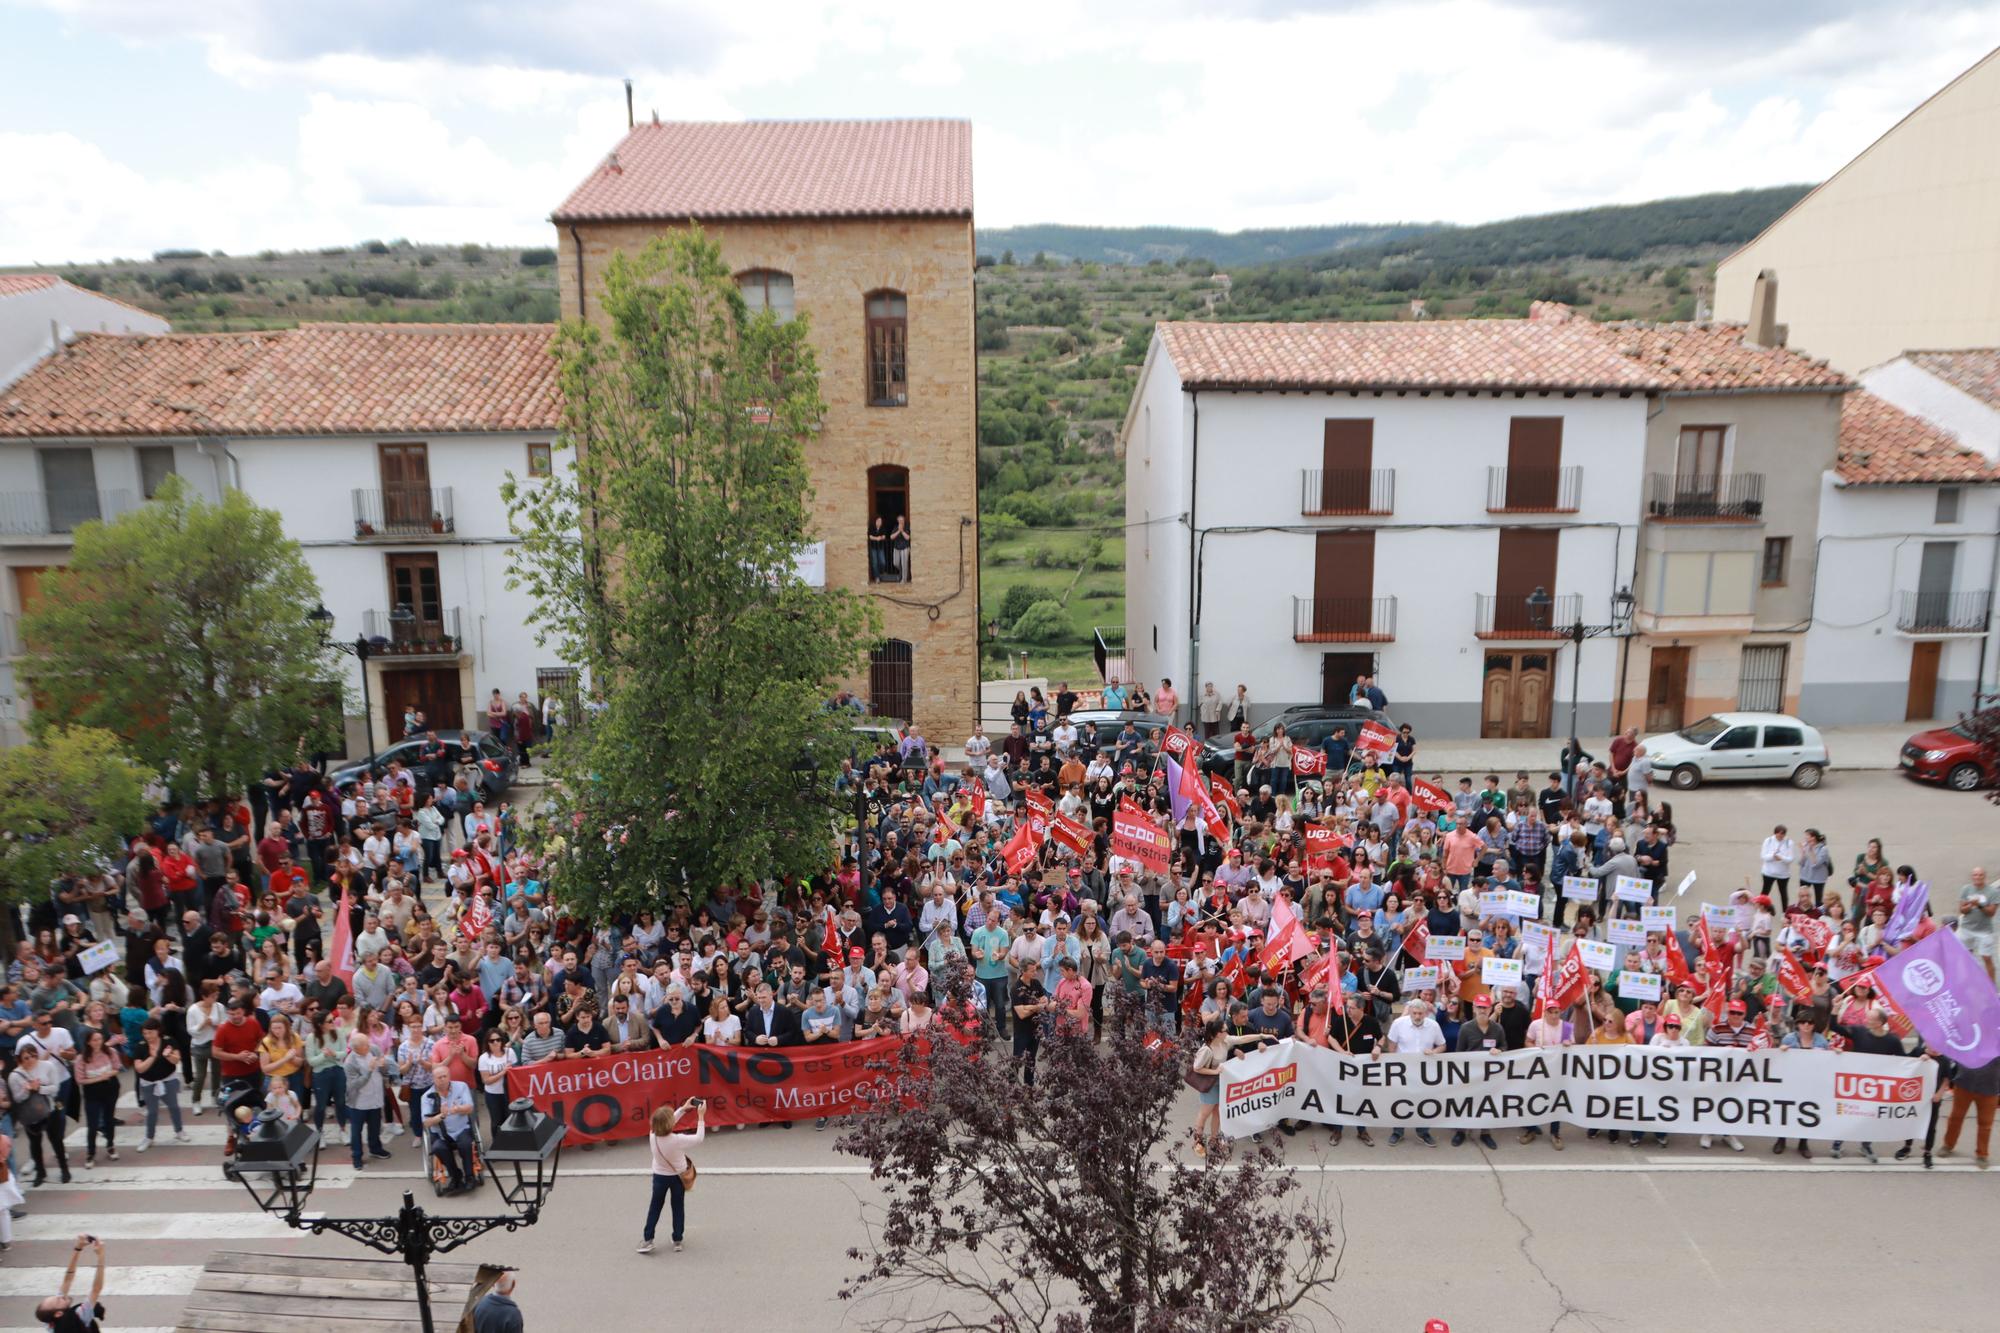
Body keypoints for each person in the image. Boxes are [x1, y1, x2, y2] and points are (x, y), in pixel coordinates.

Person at [639, 1098, 705, 1254]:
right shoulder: (677, 1140)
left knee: (655, 1207)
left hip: (659, 1177)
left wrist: (682, 1109)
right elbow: (698, 1138)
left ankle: (648, 1239)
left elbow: (666, 1123)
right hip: (677, 1177)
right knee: (677, 1206)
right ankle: (677, 1239)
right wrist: (701, 1116)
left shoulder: (652, 1135)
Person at [1385, 999, 1444, 1146]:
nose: (1417, 1017)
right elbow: (1391, 1046)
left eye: (1421, 1014)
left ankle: (1423, 1132)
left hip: (1425, 1073)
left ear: (1426, 1013)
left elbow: (1442, 1045)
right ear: (1410, 1011)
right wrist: (1393, 1069)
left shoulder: (1434, 1026)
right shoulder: (1398, 1024)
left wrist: (1434, 1051)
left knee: (1424, 1101)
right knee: (1400, 1101)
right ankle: (1397, 1132)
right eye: (1415, 1013)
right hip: (1402, 1072)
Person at [421, 1059, 478, 1195]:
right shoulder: (426, 1097)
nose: (442, 1079)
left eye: (444, 1076)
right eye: (438, 1077)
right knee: (438, 1148)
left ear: (449, 1076)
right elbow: (426, 1123)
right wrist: (441, 1115)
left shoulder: (461, 1087)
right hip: (440, 1133)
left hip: (461, 1128)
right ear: (433, 1079)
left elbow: (470, 1108)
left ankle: (470, 1176)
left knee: (465, 1144)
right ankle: (456, 1176)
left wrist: (456, 1109)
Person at [36, 1234, 106, 1331]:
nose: (60, 1296)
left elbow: (67, 1280)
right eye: (58, 1300)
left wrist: (78, 1248)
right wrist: (101, 1256)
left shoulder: (50, 1324)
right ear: (58, 1314)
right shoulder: (79, 1315)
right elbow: (96, 1289)